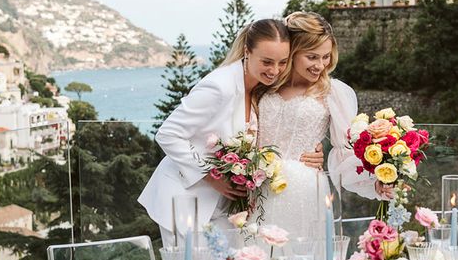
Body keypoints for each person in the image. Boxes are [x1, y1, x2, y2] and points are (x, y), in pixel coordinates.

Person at [138, 19, 322, 246]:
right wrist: (210, 175)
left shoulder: (259, 90)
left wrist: (311, 152)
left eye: (282, 62)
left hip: (224, 208)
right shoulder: (220, 87)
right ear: (247, 51)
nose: (275, 70)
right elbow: (168, 133)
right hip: (185, 198)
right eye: (267, 61)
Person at [255, 12, 381, 236]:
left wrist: (375, 181)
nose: (320, 65)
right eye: (312, 57)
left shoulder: (333, 92)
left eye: (326, 57)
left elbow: (346, 152)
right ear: (292, 52)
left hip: (304, 192)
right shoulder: (264, 82)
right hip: (255, 189)